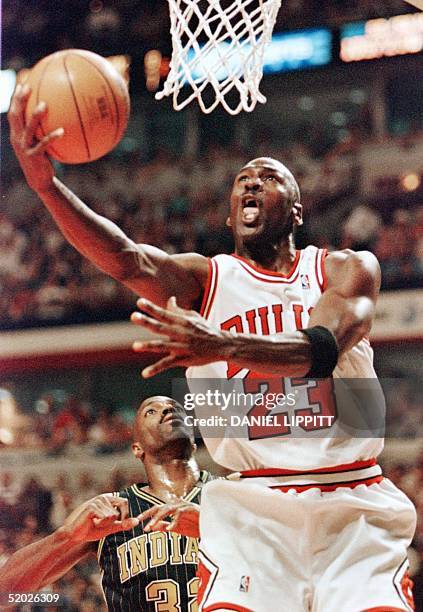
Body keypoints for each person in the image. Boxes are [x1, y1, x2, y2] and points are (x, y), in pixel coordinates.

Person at [8, 86, 416, 611]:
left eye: (268, 178)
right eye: (241, 180)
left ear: (295, 210)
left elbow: (322, 348)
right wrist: (46, 187)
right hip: (252, 504)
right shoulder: (208, 281)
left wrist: (223, 344)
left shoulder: (343, 268)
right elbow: (127, 260)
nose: (251, 183)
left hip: (352, 494)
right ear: (228, 218)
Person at [0, 396, 209, 612]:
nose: (166, 410)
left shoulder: (230, 494)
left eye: (174, 408)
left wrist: (212, 524)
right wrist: (66, 536)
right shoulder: (114, 511)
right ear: (137, 448)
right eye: (151, 411)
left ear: (193, 442)